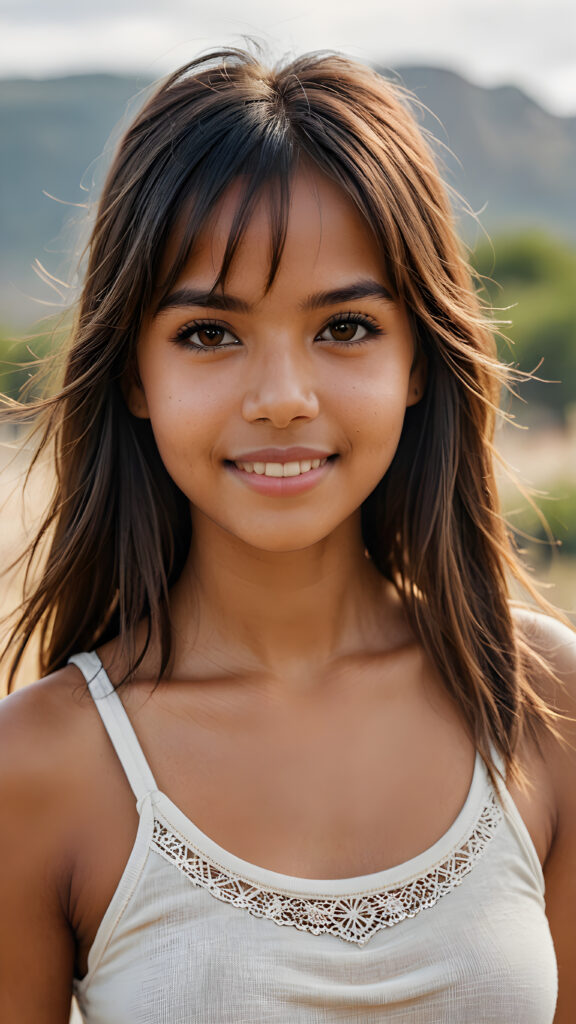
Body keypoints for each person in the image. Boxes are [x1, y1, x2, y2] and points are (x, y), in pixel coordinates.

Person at [0, 46, 574, 1024]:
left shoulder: (542, 704)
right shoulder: (40, 770)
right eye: (210, 333)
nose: (282, 399)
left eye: (344, 326)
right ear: (135, 373)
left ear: (417, 361)